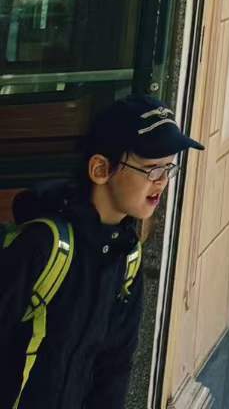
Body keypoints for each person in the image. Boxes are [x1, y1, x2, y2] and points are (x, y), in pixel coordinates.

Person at [0, 94, 203, 409]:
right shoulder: (44, 245)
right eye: (151, 169)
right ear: (100, 169)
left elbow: (114, 370)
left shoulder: (126, 258)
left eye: (168, 169)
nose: (161, 183)